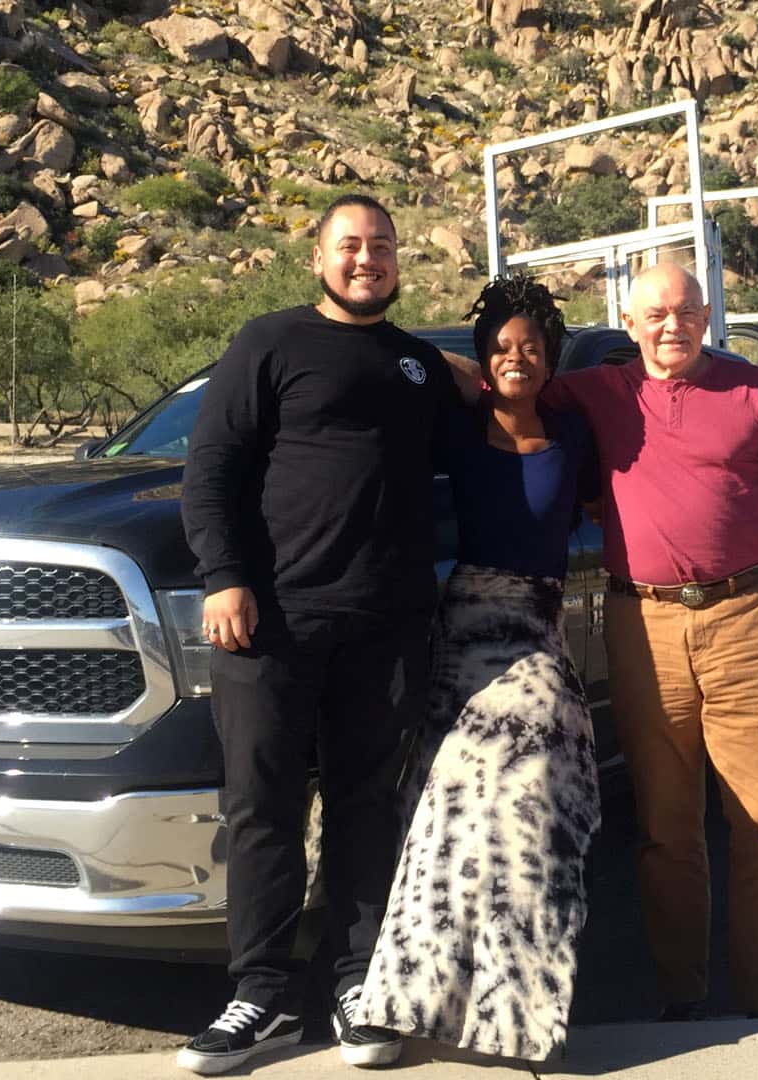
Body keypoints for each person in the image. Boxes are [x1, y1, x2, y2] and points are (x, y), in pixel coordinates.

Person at [177, 194, 473, 1074]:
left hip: (384, 626)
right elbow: (211, 470)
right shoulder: (269, 342)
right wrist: (225, 578)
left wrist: (471, 372)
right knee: (261, 807)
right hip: (272, 623)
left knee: (363, 808)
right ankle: (259, 995)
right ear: (318, 258)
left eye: (382, 245)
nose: (366, 259)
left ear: (398, 260)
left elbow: (499, 425)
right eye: (350, 245)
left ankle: (358, 985)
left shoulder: (418, 364)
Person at [540, 262, 758, 1020]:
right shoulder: (598, 394)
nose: (673, 325)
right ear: (627, 325)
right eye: (656, 314)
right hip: (644, 623)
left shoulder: (752, 390)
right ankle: (683, 997)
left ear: (708, 316)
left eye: (687, 311)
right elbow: (503, 381)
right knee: (667, 828)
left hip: (748, 615)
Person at [356, 277, 602, 1063]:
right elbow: (401, 359)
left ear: (551, 355)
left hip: (537, 623)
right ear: (482, 360)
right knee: (441, 810)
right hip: (463, 624)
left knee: (529, 800)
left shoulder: (575, 430)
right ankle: (403, 996)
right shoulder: (457, 427)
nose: (516, 357)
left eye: (530, 345)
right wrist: (464, 370)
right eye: (500, 347)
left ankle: (517, 1009)